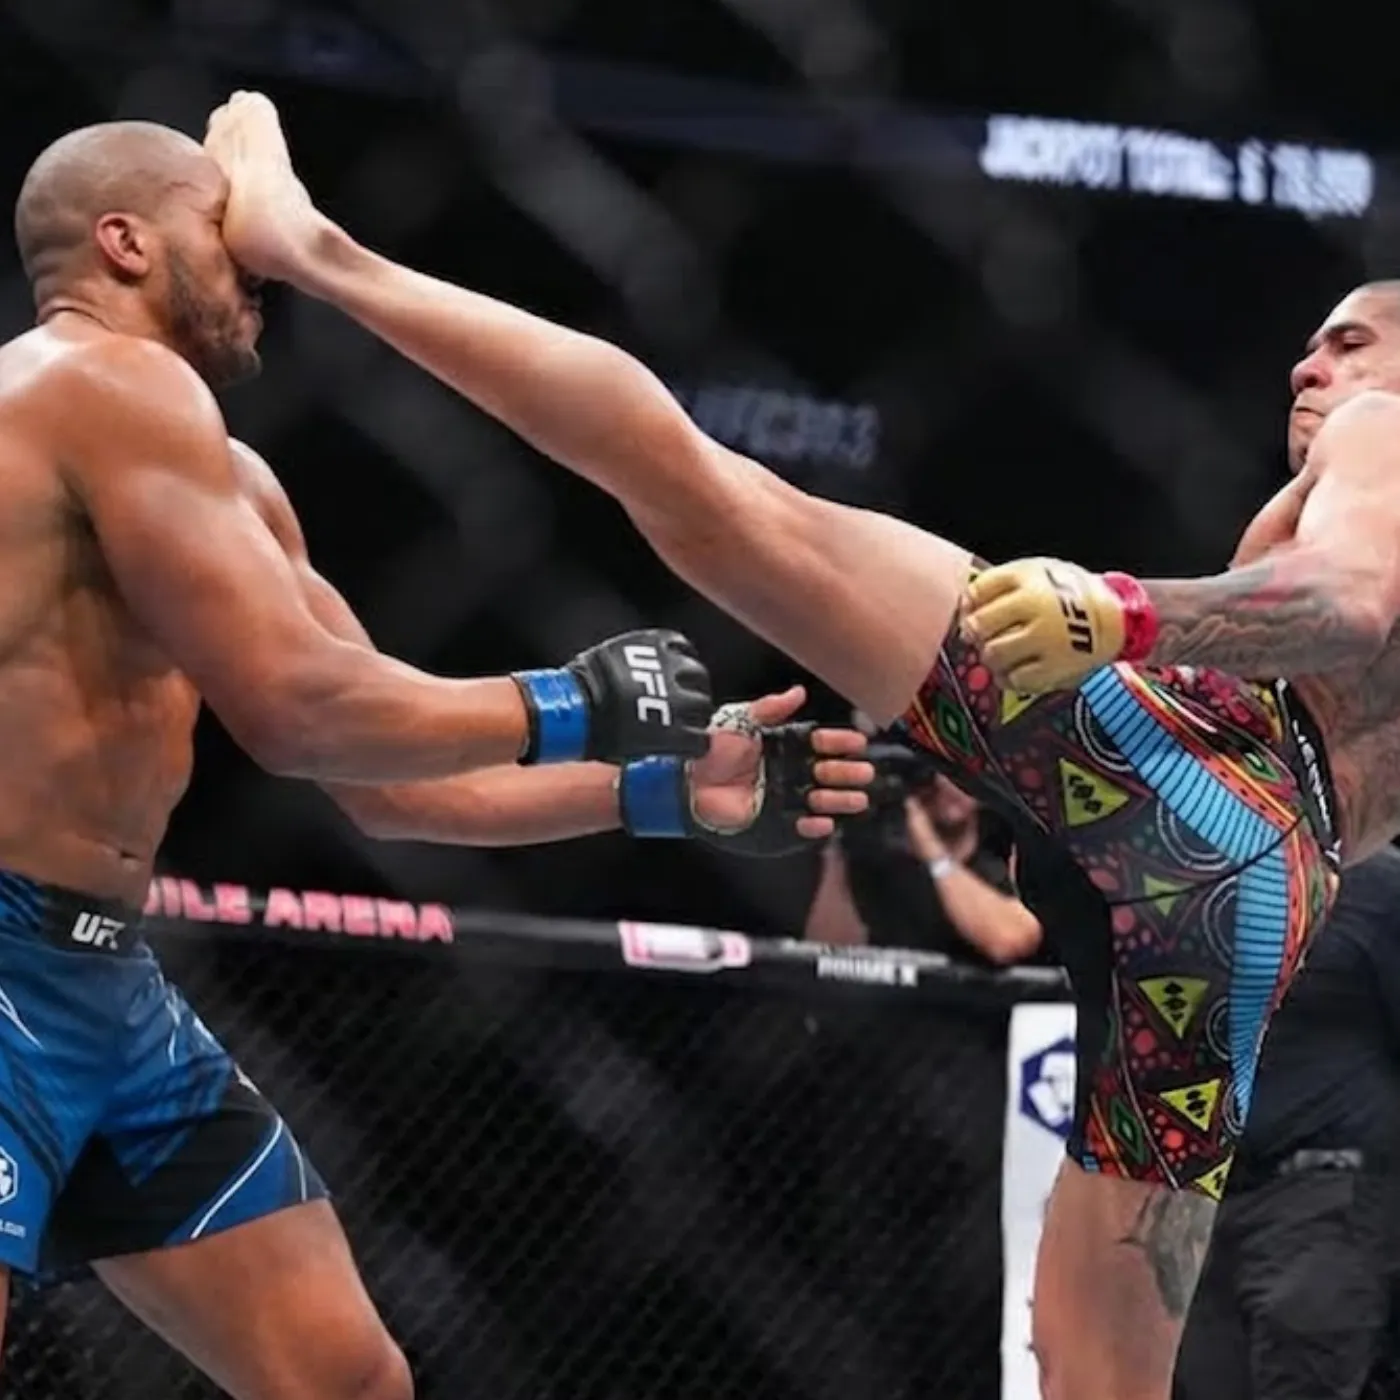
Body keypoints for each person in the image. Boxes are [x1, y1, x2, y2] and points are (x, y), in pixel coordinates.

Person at [205, 90, 1400, 1400]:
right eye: (1309, 349)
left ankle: (315, 247)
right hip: (1267, 898)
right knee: (1092, 1376)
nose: (1310, 370)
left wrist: (1118, 613)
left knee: (707, 490)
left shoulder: (1383, 431)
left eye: (1347, 343)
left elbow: (1346, 604)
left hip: (1190, 760)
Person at [0, 116, 875, 1397]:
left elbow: (392, 781)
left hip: (100, 981)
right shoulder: (92, 380)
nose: (258, 259)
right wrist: (572, 699)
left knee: (348, 1379)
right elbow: (293, 706)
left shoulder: (228, 479)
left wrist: (657, 786)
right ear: (124, 243)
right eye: (221, 227)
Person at [1173, 847, 1400, 1400]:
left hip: (1328, 1191)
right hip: (1207, 1201)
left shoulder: (1377, 890)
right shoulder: (1186, 884)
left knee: (1303, 1371)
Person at [806, 759, 1044, 965]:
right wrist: (839, 849)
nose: (951, 787)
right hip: (888, 1001)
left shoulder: (994, 860)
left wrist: (931, 849)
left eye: (960, 777)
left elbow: (1009, 940)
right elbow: (829, 954)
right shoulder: (880, 859)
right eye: (942, 774)